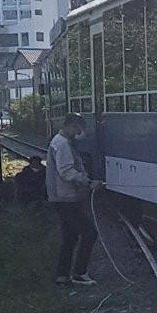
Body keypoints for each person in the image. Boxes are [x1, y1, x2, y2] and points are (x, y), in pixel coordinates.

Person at [46, 113, 102, 286]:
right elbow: (66, 172)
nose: (79, 132)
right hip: (66, 198)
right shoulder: (62, 144)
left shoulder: (61, 141)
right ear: (70, 125)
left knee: (70, 237)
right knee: (89, 232)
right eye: (78, 128)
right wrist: (87, 181)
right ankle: (79, 272)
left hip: (62, 197)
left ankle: (62, 276)